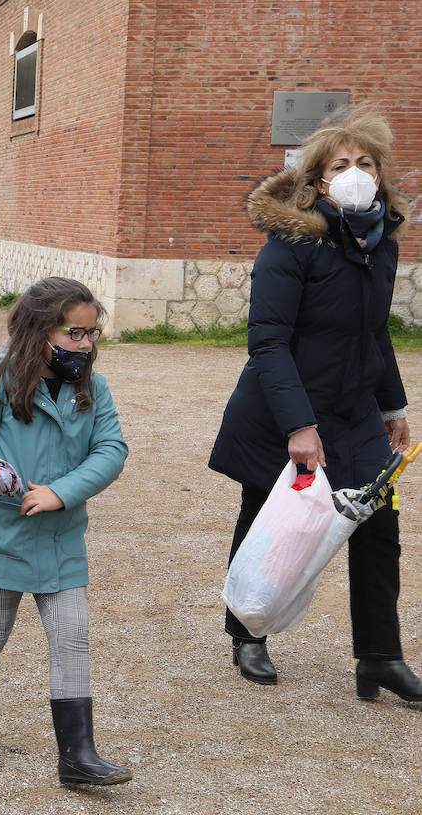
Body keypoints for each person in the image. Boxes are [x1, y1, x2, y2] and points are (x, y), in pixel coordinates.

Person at [209, 106, 418, 700]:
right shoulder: (292, 244)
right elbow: (268, 341)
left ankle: (378, 657)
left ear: (380, 175)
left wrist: (393, 407)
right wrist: (299, 425)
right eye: (342, 165)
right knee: (270, 519)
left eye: (366, 163)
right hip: (286, 408)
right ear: (319, 182)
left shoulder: (381, 247)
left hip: (355, 412)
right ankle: (247, 632)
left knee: (379, 527)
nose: (356, 173)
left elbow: (374, 333)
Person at [0, 276, 130, 786]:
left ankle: (77, 755)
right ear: (40, 333)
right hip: (0, 536)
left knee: (72, 636)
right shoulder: (0, 381)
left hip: (62, 539)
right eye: (74, 334)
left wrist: (60, 491)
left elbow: (111, 452)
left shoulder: (95, 389)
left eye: (91, 334)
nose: (86, 345)